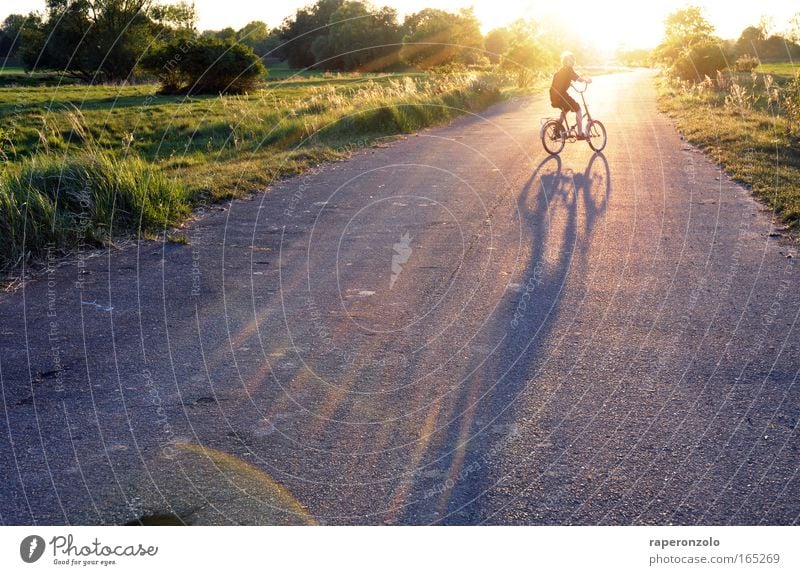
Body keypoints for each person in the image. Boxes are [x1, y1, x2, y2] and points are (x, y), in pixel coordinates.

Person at [549, 51, 591, 139]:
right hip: (561, 95)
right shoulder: (569, 70)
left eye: (573, 60)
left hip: (553, 96)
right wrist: (586, 80)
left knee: (566, 109)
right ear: (566, 61)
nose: (572, 62)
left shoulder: (561, 70)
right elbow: (578, 78)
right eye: (570, 60)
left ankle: (557, 129)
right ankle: (580, 134)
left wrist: (569, 83)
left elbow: (561, 81)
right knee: (578, 108)